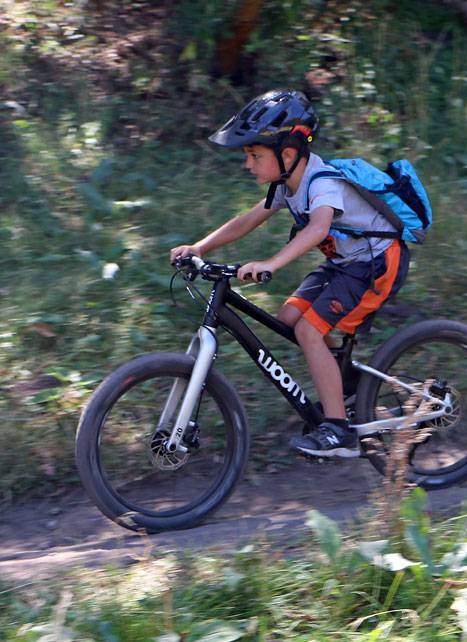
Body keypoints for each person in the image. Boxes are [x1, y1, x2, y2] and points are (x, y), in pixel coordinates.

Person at [169, 89, 410, 458]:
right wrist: (200, 248)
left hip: (375, 266)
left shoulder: (322, 183)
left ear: (287, 154)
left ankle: (338, 430)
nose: (248, 164)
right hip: (345, 264)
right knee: (289, 317)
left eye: (254, 155)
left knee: (309, 330)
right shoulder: (287, 183)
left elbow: (318, 228)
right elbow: (247, 220)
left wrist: (272, 263)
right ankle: (346, 380)